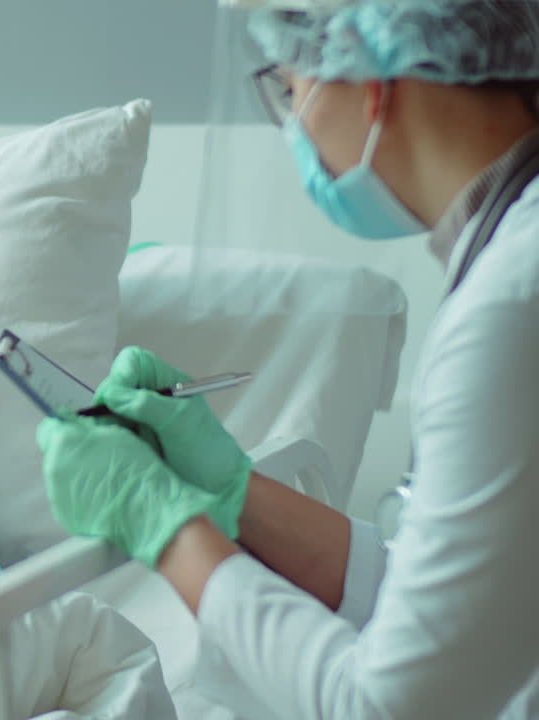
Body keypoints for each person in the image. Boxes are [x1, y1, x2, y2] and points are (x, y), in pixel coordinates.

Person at [37, 1, 539, 718]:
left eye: (288, 83)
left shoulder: (511, 308)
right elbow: (457, 614)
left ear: (369, 72)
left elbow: (388, 704)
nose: (293, 121)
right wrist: (236, 493)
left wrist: (164, 526)